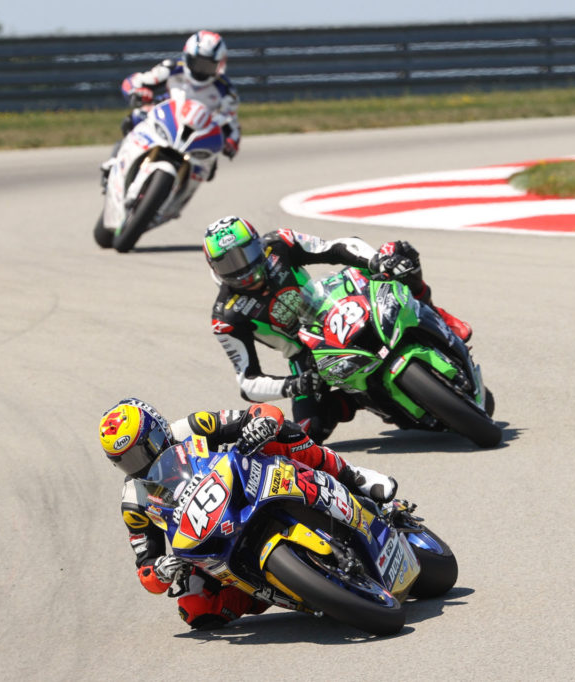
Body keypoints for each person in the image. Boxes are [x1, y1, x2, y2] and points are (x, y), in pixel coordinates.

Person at [98, 397, 397, 630]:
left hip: (246, 485)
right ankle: (278, 588)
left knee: (281, 433)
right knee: (195, 610)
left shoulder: (192, 427)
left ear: (158, 429)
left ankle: (353, 476)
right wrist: (161, 571)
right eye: (126, 460)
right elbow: (146, 568)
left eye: (142, 450)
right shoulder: (134, 501)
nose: (139, 463)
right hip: (205, 537)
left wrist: (263, 423)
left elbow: (259, 413)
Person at [202, 215, 473, 443]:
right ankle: (357, 399)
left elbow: (337, 247)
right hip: (305, 353)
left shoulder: (279, 243)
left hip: (333, 304)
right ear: (214, 267)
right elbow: (248, 383)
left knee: (399, 254)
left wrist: (375, 261)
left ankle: (439, 316)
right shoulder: (226, 317)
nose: (243, 268)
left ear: (258, 245)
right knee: (308, 433)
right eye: (230, 263)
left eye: (246, 254)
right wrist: (293, 385)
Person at [101, 30, 241, 191]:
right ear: (187, 56)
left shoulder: (226, 90)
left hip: (197, 136)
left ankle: (180, 196)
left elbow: (232, 123)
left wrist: (231, 142)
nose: (201, 70)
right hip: (165, 120)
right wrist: (138, 92)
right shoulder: (172, 69)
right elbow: (134, 82)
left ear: (219, 65)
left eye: (207, 66)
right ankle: (114, 163)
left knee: (210, 167)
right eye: (198, 64)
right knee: (135, 118)